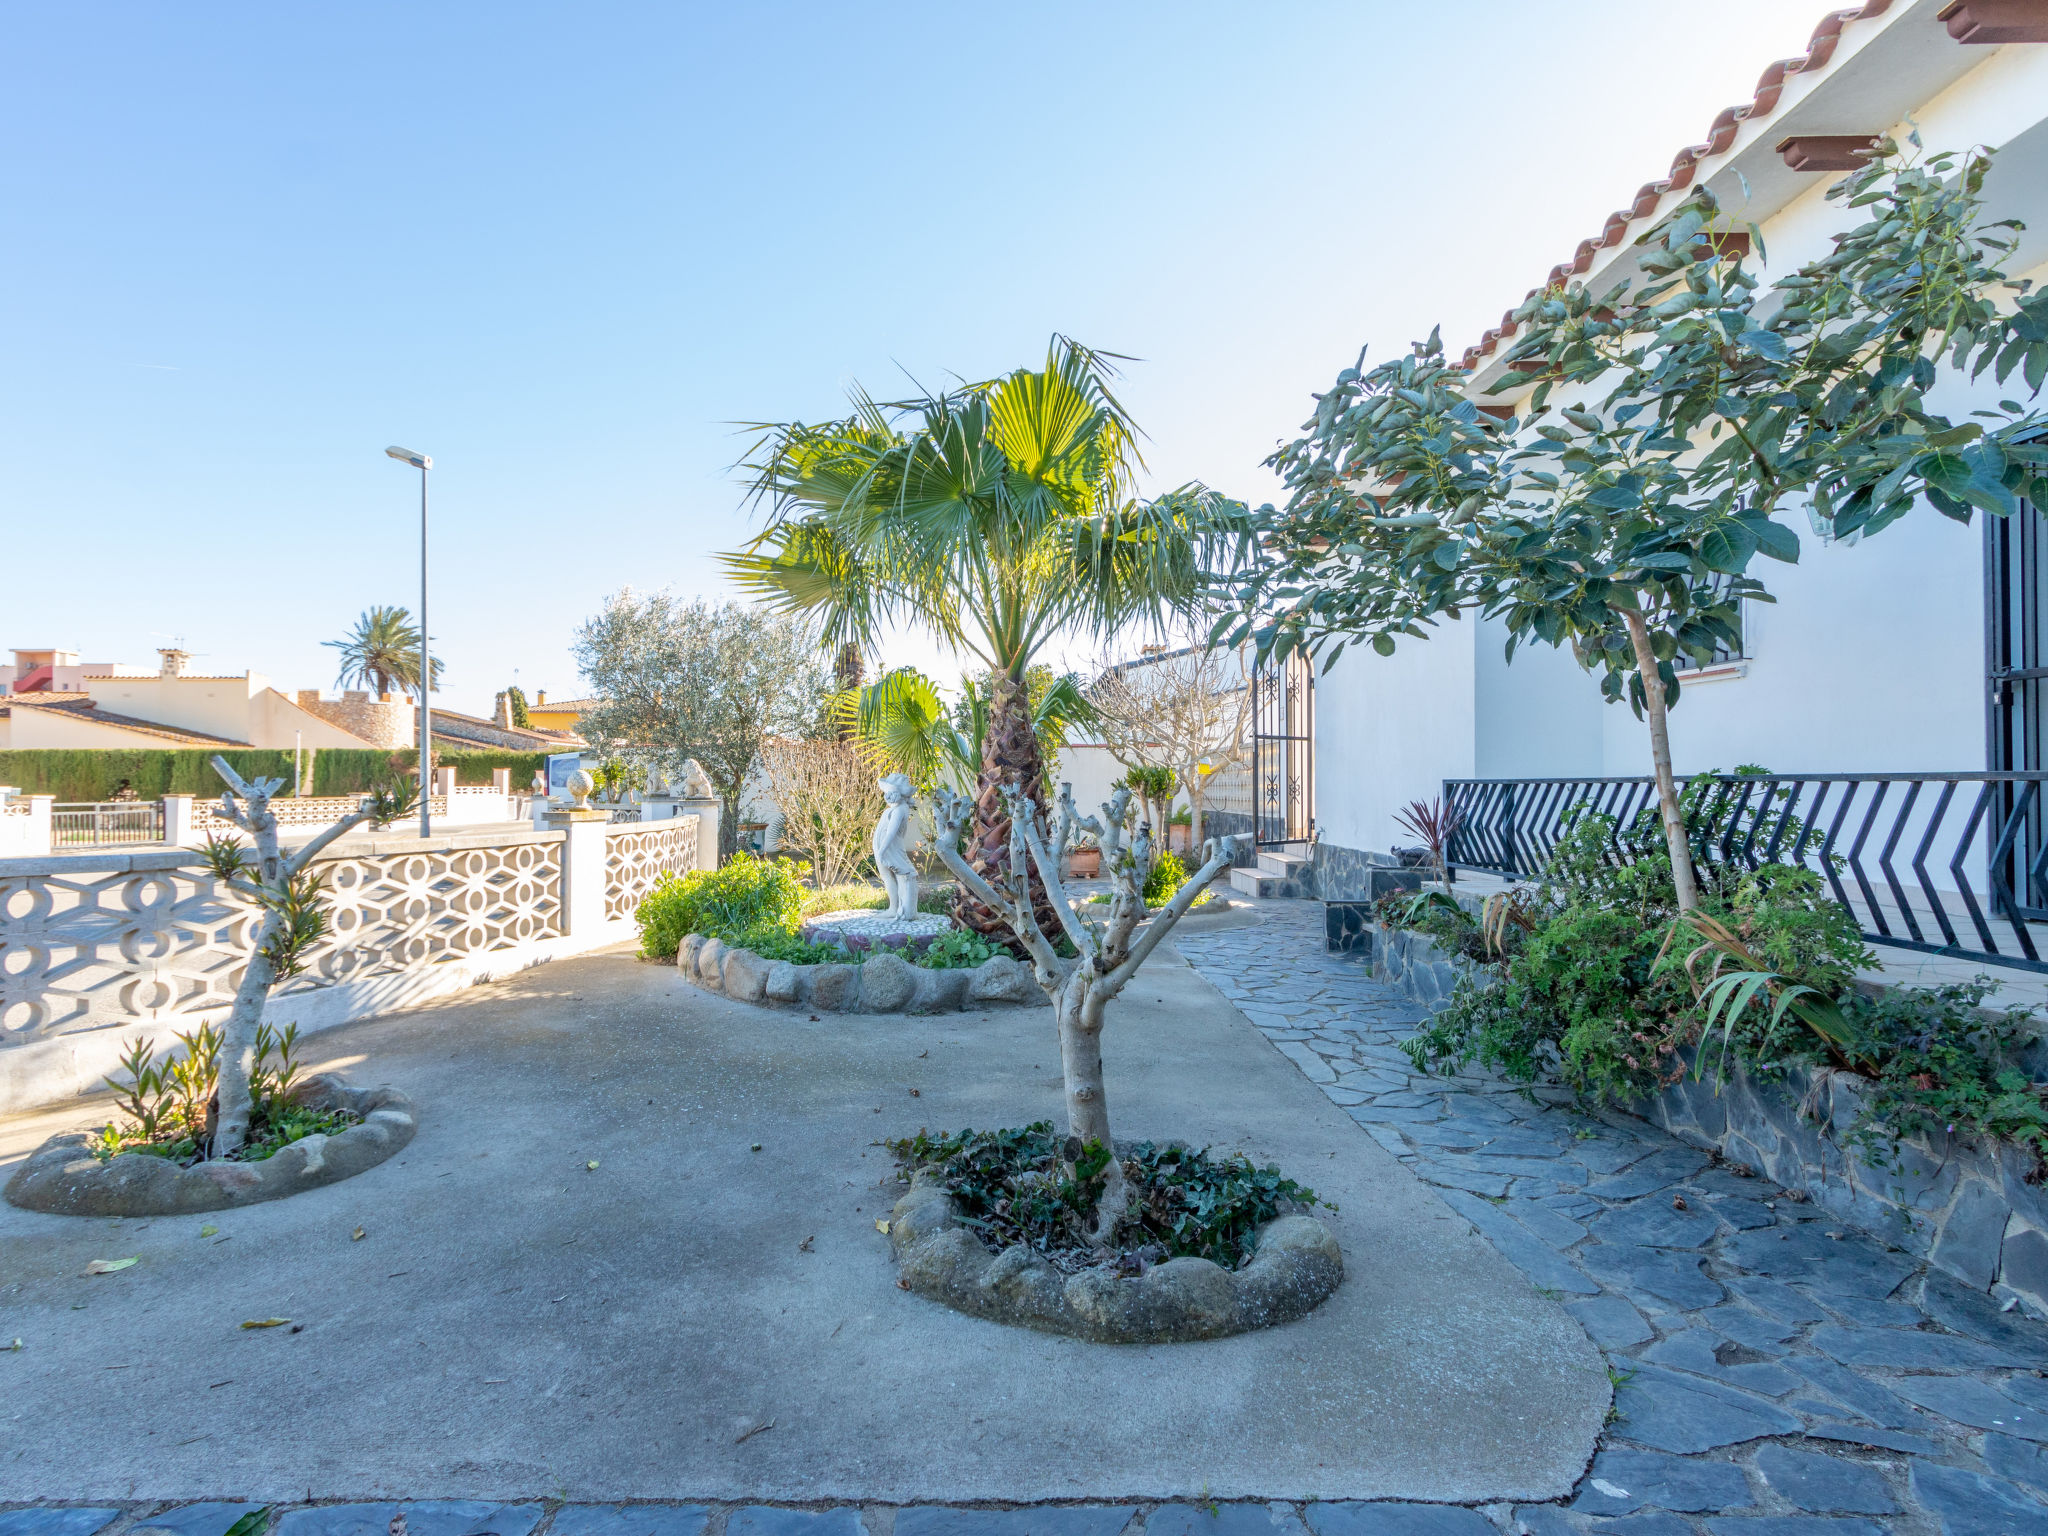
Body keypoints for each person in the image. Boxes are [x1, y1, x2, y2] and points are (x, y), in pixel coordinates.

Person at [872, 773, 919, 920]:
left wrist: (881, 851)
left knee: (902, 875)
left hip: (890, 848)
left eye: (889, 792)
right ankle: (894, 907)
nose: (887, 796)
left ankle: (900, 909)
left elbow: (891, 833)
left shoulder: (900, 809)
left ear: (898, 793)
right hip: (883, 847)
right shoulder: (892, 809)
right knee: (887, 876)